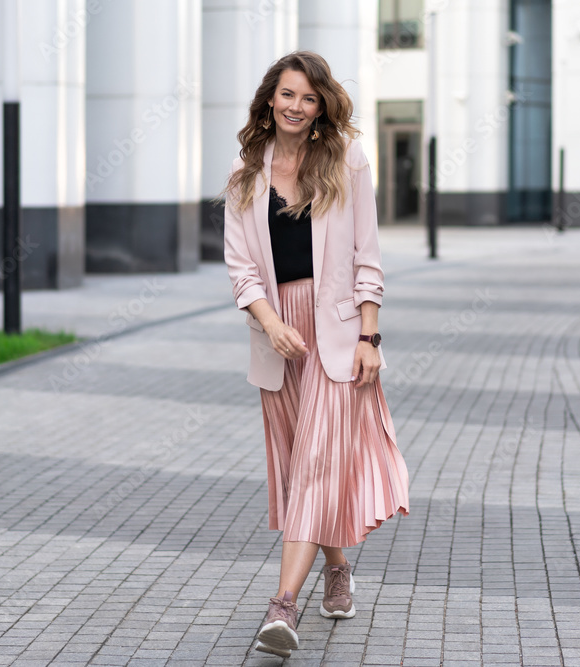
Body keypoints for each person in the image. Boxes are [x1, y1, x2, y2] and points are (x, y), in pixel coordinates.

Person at [222, 51, 410, 658]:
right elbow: (240, 267)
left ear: (320, 103)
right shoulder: (245, 171)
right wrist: (271, 322)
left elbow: (367, 254)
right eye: (286, 94)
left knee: (315, 468)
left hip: (335, 334)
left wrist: (369, 336)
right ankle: (336, 567)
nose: (296, 106)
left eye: (307, 97)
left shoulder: (347, 160)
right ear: (268, 100)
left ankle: (283, 608)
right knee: (302, 463)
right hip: (278, 338)